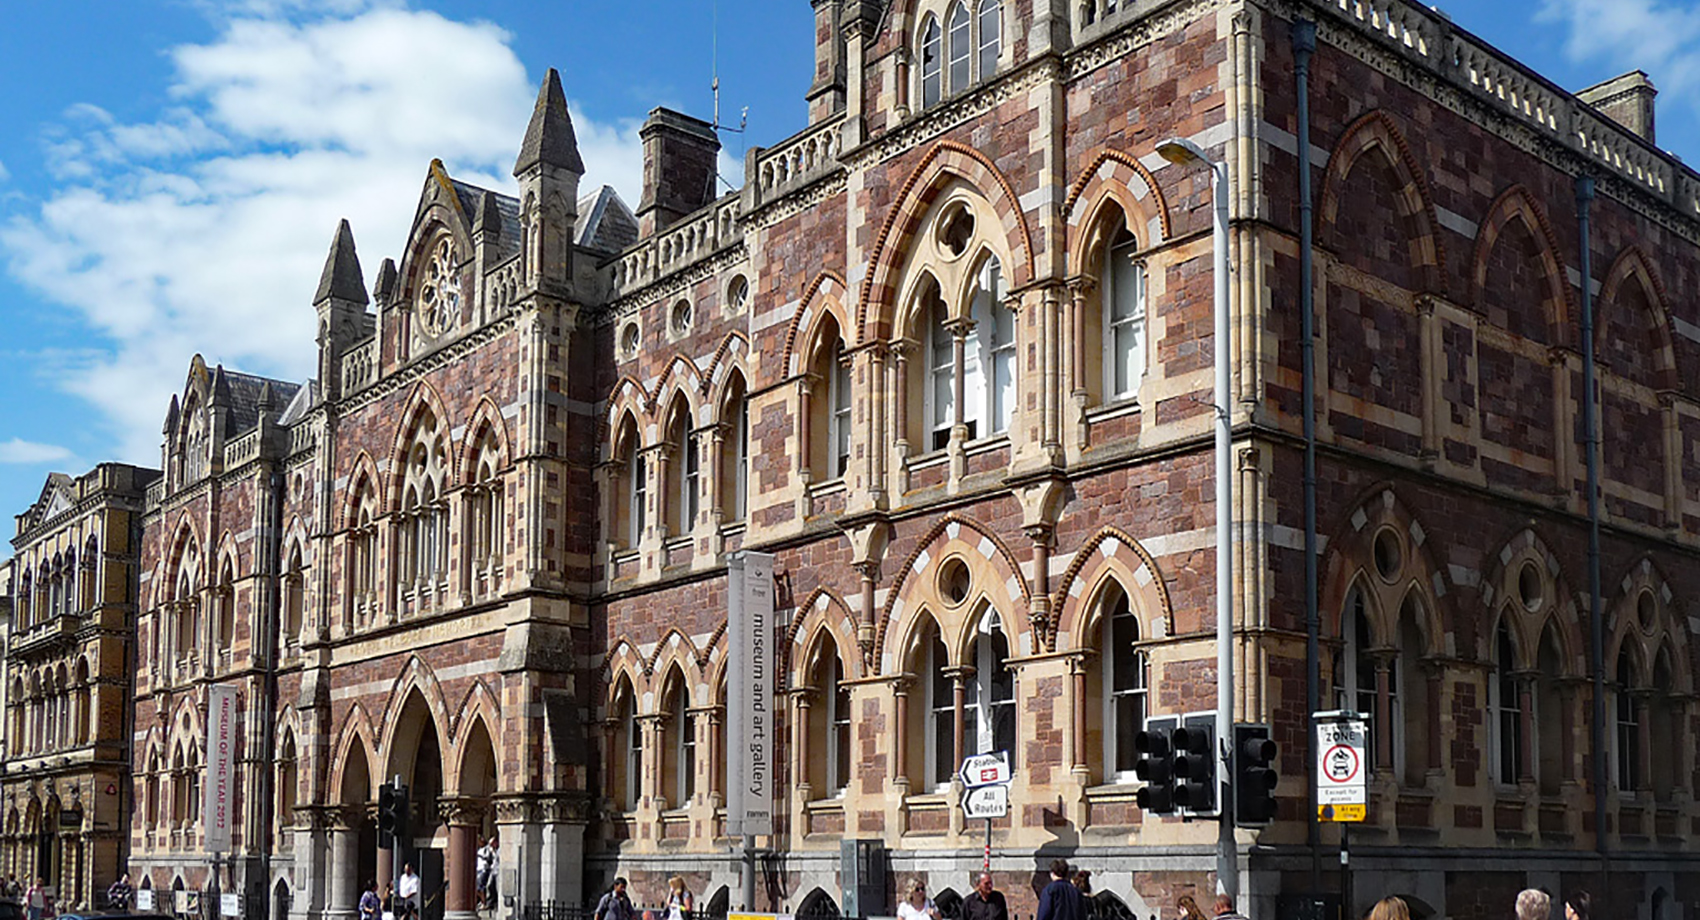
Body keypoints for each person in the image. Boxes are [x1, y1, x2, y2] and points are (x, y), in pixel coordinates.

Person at [476, 836, 499, 909]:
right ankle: (482, 901)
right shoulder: (479, 849)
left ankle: (484, 902)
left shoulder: (487, 849)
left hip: (484, 869)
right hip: (478, 868)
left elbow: (489, 858)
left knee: (481, 887)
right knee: (477, 887)